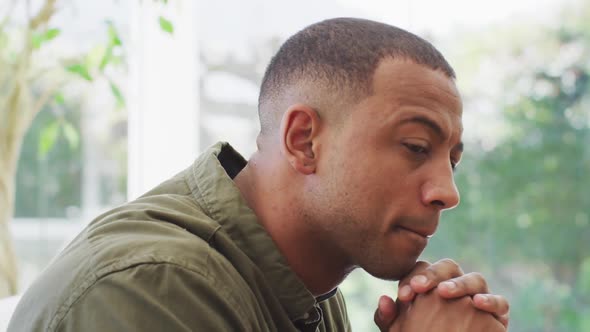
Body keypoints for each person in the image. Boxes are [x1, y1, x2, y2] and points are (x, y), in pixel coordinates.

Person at [8, 18, 510, 331]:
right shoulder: (150, 288)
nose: (447, 191)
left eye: (452, 161)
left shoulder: (307, 287)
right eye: (416, 147)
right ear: (303, 141)